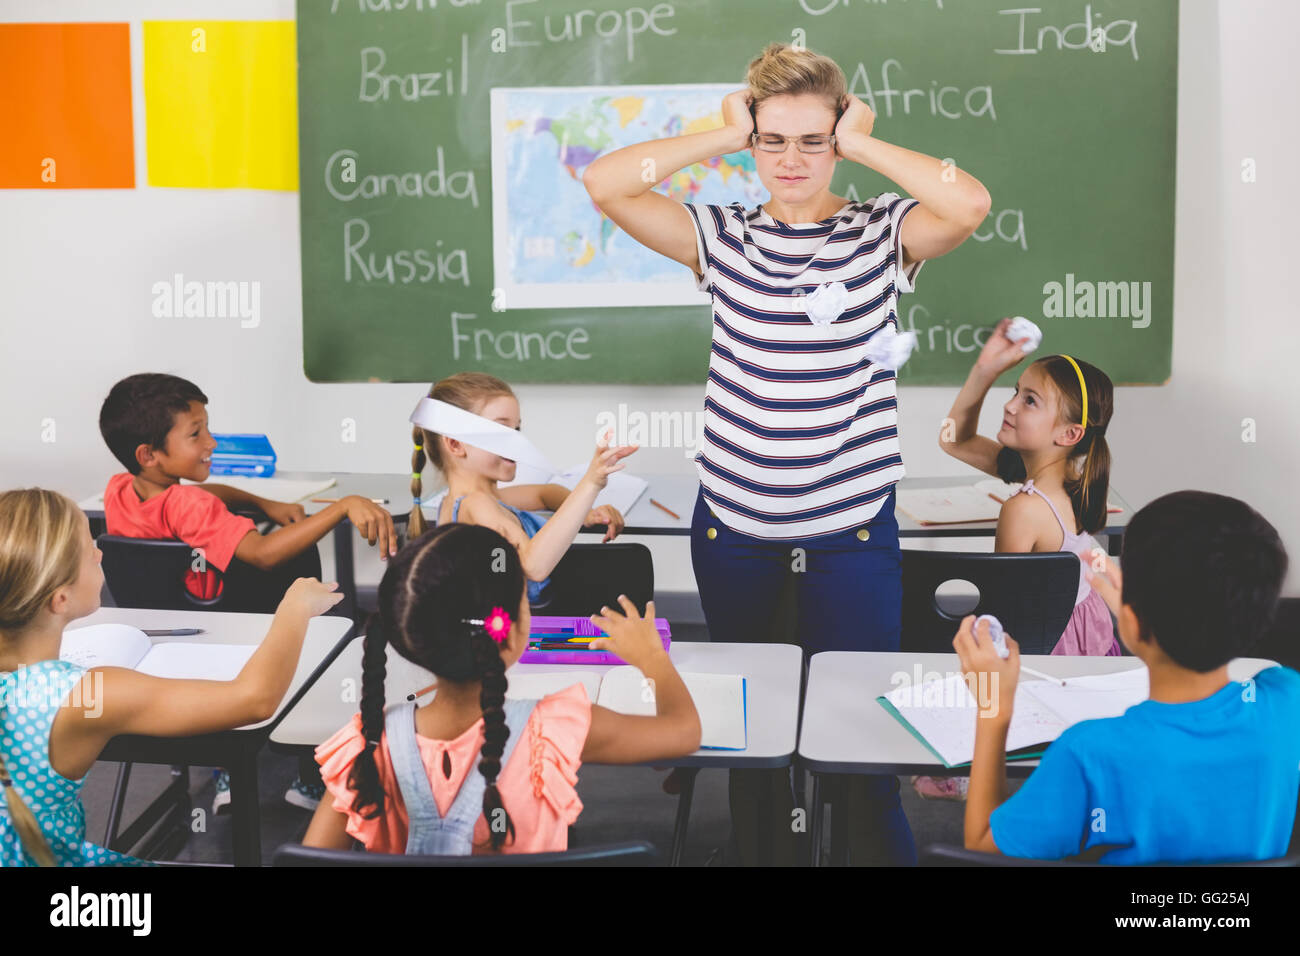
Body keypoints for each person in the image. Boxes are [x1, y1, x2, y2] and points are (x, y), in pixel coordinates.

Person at [583, 41, 991, 864]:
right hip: (735, 530)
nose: (794, 159)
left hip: (849, 534)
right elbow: (605, 182)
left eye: (815, 140)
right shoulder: (721, 236)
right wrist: (723, 135)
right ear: (754, 140)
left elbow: (970, 204)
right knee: (753, 745)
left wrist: (863, 143)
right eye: (776, 140)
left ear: (839, 136)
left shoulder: (882, 232)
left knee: (864, 747)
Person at [303, 523, 701, 854]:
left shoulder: (368, 744)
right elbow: (684, 733)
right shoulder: (555, 730)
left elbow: (310, 860)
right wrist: (653, 660)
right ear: (510, 637)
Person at [0, 487, 342, 866]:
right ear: (59, 600)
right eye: (88, 548)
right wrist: (294, 609)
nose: (100, 552)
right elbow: (254, 699)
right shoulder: (84, 694)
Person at [99, 371, 391, 811]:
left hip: (173, 636)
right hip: (237, 626)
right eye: (196, 434)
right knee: (306, 579)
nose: (211, 443)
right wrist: (342, 508)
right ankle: (311, 778)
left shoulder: (119, 490)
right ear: (150, 454)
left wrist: (261, 503)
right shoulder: (191, 506)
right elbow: (265, 554)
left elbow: (195, 497)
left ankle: (223, 775)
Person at [957, 491, 1298, 863]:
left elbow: (983, 842)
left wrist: (993, 709)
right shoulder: (1286, 699)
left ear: (1131, 622)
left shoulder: (1088, 753)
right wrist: (1144, 614)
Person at [919, 321, 1118, 800]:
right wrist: (984, 370)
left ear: (1070, 432)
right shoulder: (1073, 481)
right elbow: (952, 437)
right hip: (1088, 642)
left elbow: (1004, 619)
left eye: (1030, 400)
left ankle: (976, 768)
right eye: (1015, 390)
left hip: (1046, 651)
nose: (1009, 405)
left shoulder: (1024, 508)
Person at [407, 372, 636, 607]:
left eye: (517, 430)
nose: (517, 442)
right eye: (502, 431)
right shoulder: (479, 506)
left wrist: (587, 514)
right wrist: (591, 483)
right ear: (455, 444)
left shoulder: (466, 500)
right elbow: (534, 566)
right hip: (532, 626)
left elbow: (544, 494)